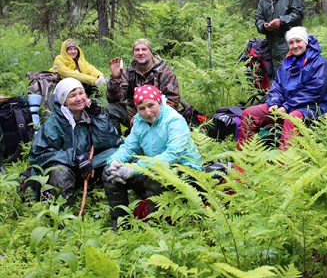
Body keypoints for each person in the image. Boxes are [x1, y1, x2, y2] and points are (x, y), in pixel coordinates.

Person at [102, 85, 203, 229]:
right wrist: (114, 162)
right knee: (109, 174)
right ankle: (120, 223)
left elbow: (173, 154)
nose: (147, 112)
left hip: (185, 170)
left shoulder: (174, 120)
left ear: (159, 102)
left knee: (155, 179)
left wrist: (134, 169)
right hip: (153, 166)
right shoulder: (139, 121)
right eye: (141, 109)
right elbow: (129, 147)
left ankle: (155, 226)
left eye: (151, 106)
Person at [237, 27, 327, 150]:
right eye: (291, 42)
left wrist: (286, 107)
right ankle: (244, 158)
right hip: (284, 105)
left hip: (312, 106)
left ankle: (285, 164)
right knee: (250, 113)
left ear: (306, 42)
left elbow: (313, 92)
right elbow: (277, 86)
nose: (295, 45)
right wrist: (275, 102)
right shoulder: (287, 63)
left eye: (298, 41)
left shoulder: (321, 64)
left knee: (292, 119)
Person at [28, 78, 122, 206]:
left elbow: (111, 142)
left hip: (88, 166)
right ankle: (63, 214)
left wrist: (98, 117)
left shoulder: (90, 116)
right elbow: (40, 154)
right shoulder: (54, 124)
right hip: (68, 168)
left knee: (117, 153)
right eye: (72, 95)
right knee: (60, 171)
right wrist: (76, 157)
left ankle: (111, 197)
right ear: (64, 101)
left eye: (81, 93)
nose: (79, 98)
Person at [105, 39, 180, 131]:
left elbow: (172, 101)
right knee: (110, 109)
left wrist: (144, 116)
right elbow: (114, 100)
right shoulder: (129, 72)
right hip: (136, 110)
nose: (140, 53)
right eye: (137, 50)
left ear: (151, 52)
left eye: (144, 49)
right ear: (133, 54)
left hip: (158, 112)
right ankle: (115, 141)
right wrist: (115, 78)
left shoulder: (164, 72)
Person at [255, 0, 304, 73]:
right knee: (275, 75)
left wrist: (281, 21)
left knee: (293, 72)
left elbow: (299, 14)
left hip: (291, 42)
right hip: (271, 44)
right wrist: (264, 26)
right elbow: (258, 18)